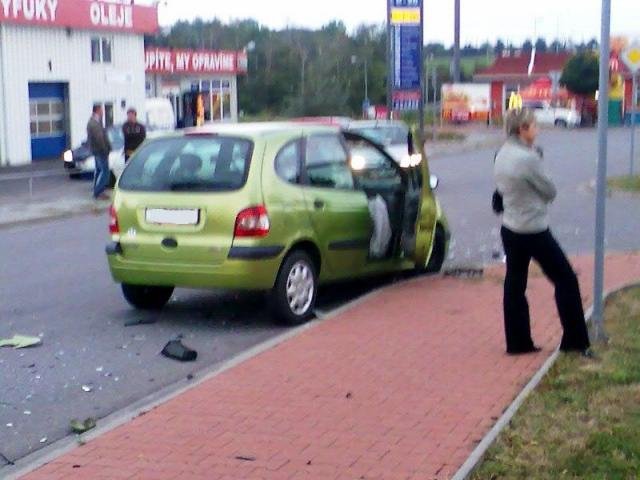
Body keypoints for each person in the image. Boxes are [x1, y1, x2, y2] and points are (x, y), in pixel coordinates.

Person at [494, 109, 592, 357]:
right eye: (534, 125)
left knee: (515, 283)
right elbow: (549, 191)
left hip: (510, 227)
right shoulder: (528, 158)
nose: (537, 129)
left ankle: (518, 343)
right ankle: (575, 340)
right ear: (522, 129)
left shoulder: (502, 153)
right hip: (533, 229)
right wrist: (537, 165)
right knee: (566, 278)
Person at [87, 105, 112, 200]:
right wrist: (105, 149)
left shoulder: (96, 122)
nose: (102, 112)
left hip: (97, 150)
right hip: (100, 150)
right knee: (105, 171)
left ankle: (97, 190)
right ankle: (98, 191)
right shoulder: (94, 123)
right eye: (101, 110)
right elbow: (99, 138)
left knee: (98, 170)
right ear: (97, 110)